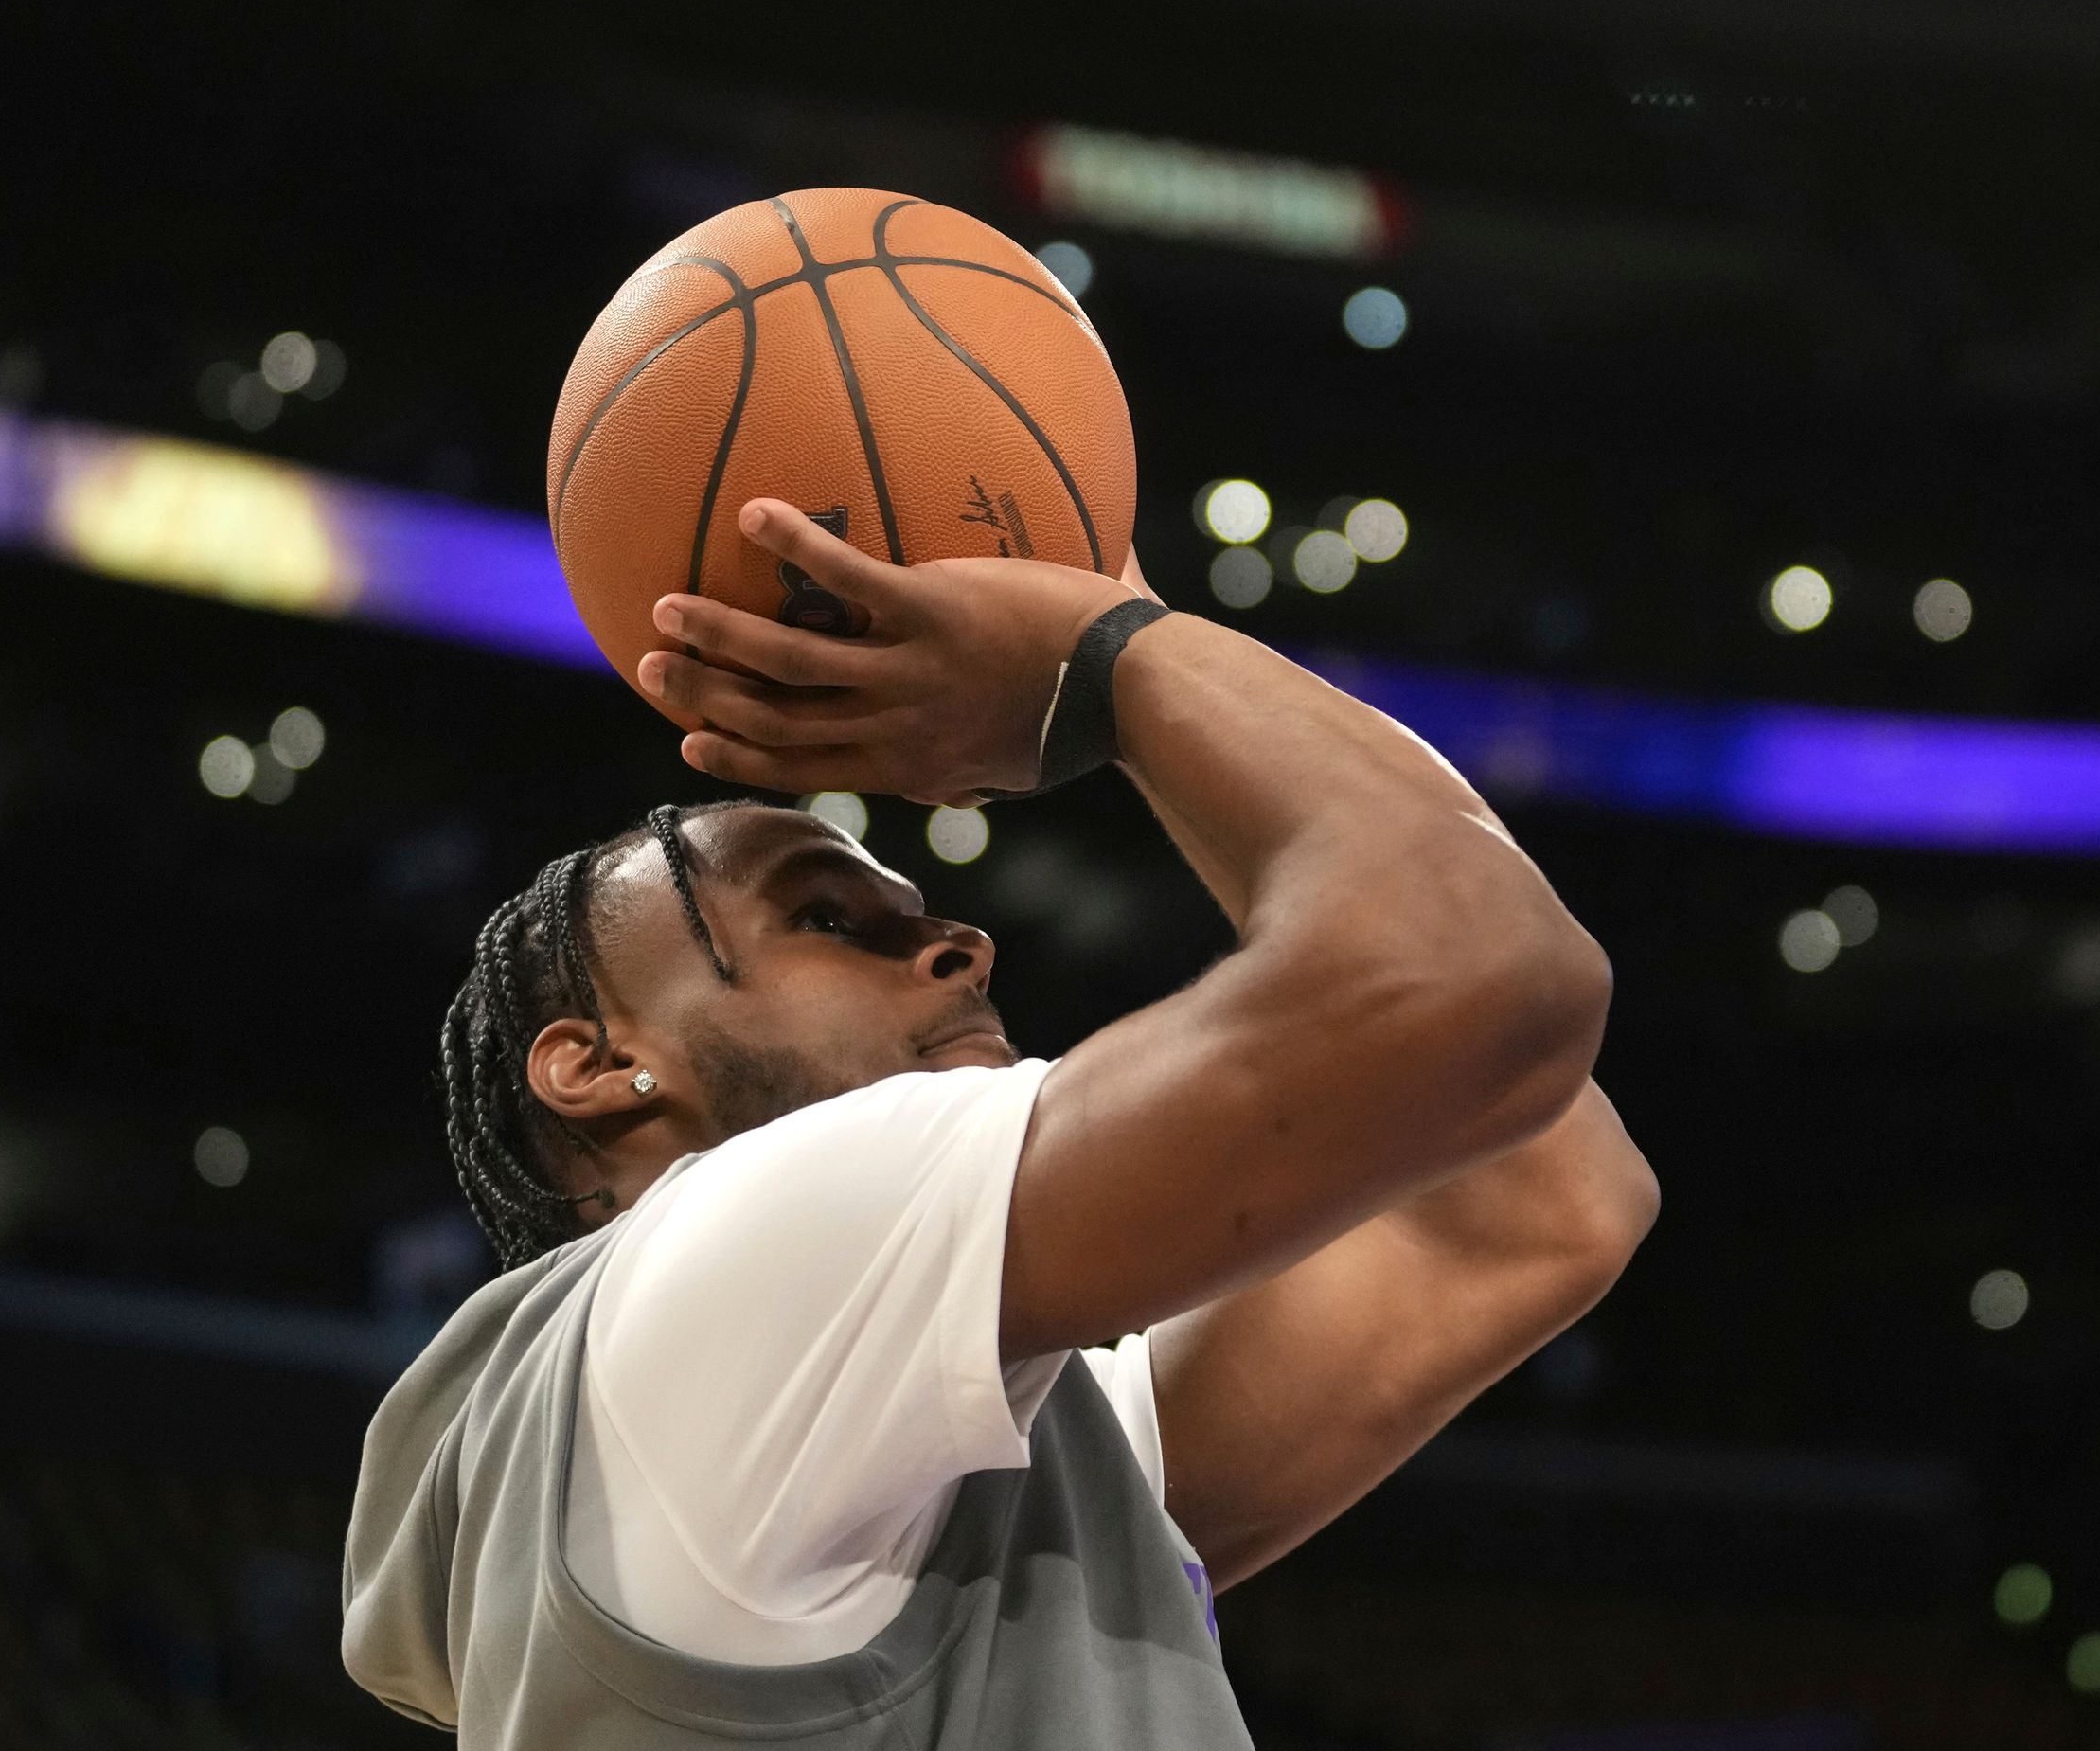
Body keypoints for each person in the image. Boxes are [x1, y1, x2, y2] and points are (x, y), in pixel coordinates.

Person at [345, 497, 1657, 1747]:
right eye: (826, 917)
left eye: (921, 913)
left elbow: (1535, 1204)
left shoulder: (878, 1414)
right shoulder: (732, 1252)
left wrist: (1126, 648)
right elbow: (1483, 977)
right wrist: (1111, 655)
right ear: (597, 1065)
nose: (959, 943)